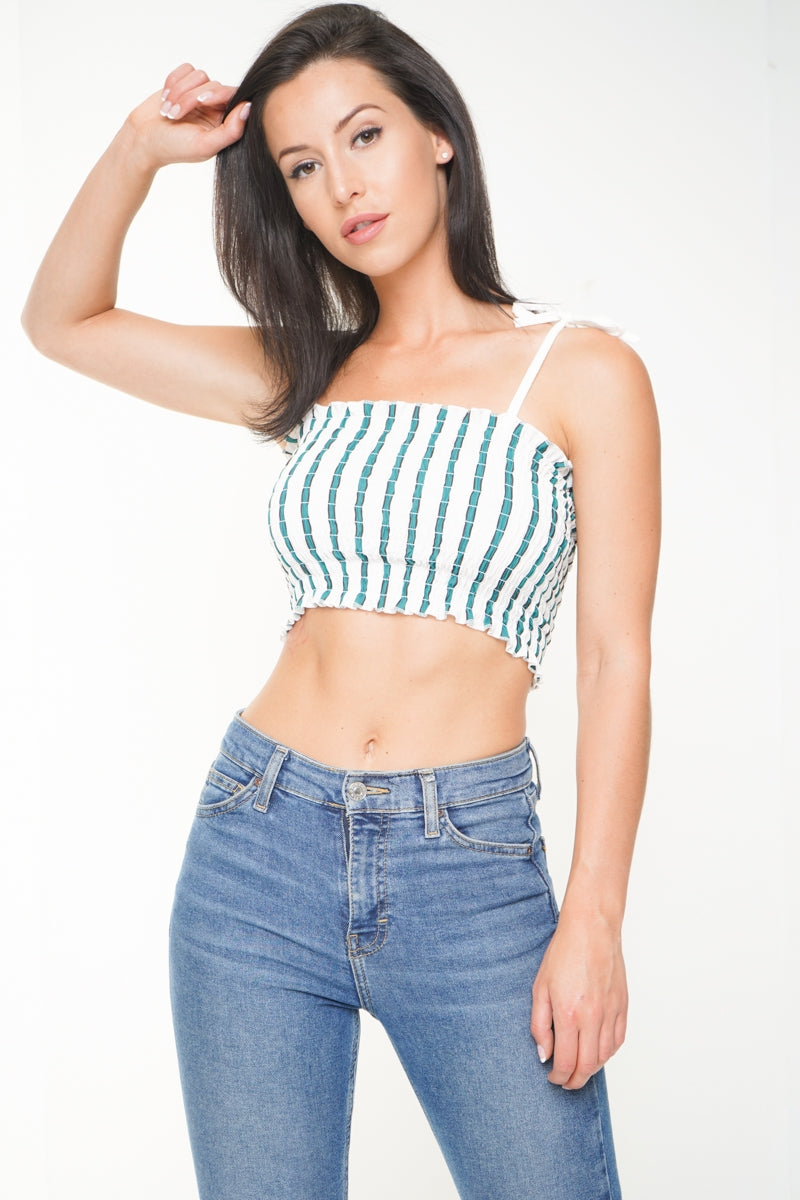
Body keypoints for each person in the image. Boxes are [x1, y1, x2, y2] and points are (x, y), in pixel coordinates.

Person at [21, 3, 660, 1197]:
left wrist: (593, 919)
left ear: (436, 135)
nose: (342, 186)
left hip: (468, 868)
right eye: (301, 166)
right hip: (257, 848)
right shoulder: (307, 368)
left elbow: (613, 660)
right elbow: (63, 322)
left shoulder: (579, 371)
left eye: (363, 136)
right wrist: (138, 149)